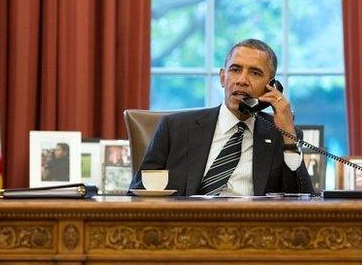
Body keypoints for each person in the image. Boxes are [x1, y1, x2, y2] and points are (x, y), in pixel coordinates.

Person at [130, 39, 313, 195]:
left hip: (252, 230)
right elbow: (137, 194)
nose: (242, 80)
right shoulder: (175, 128)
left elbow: (303, 201)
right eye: (235, 70)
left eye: (255, 73)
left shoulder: (280, 135)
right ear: (222, 77)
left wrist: (288, 135)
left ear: (271, 86)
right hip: (185, 229)